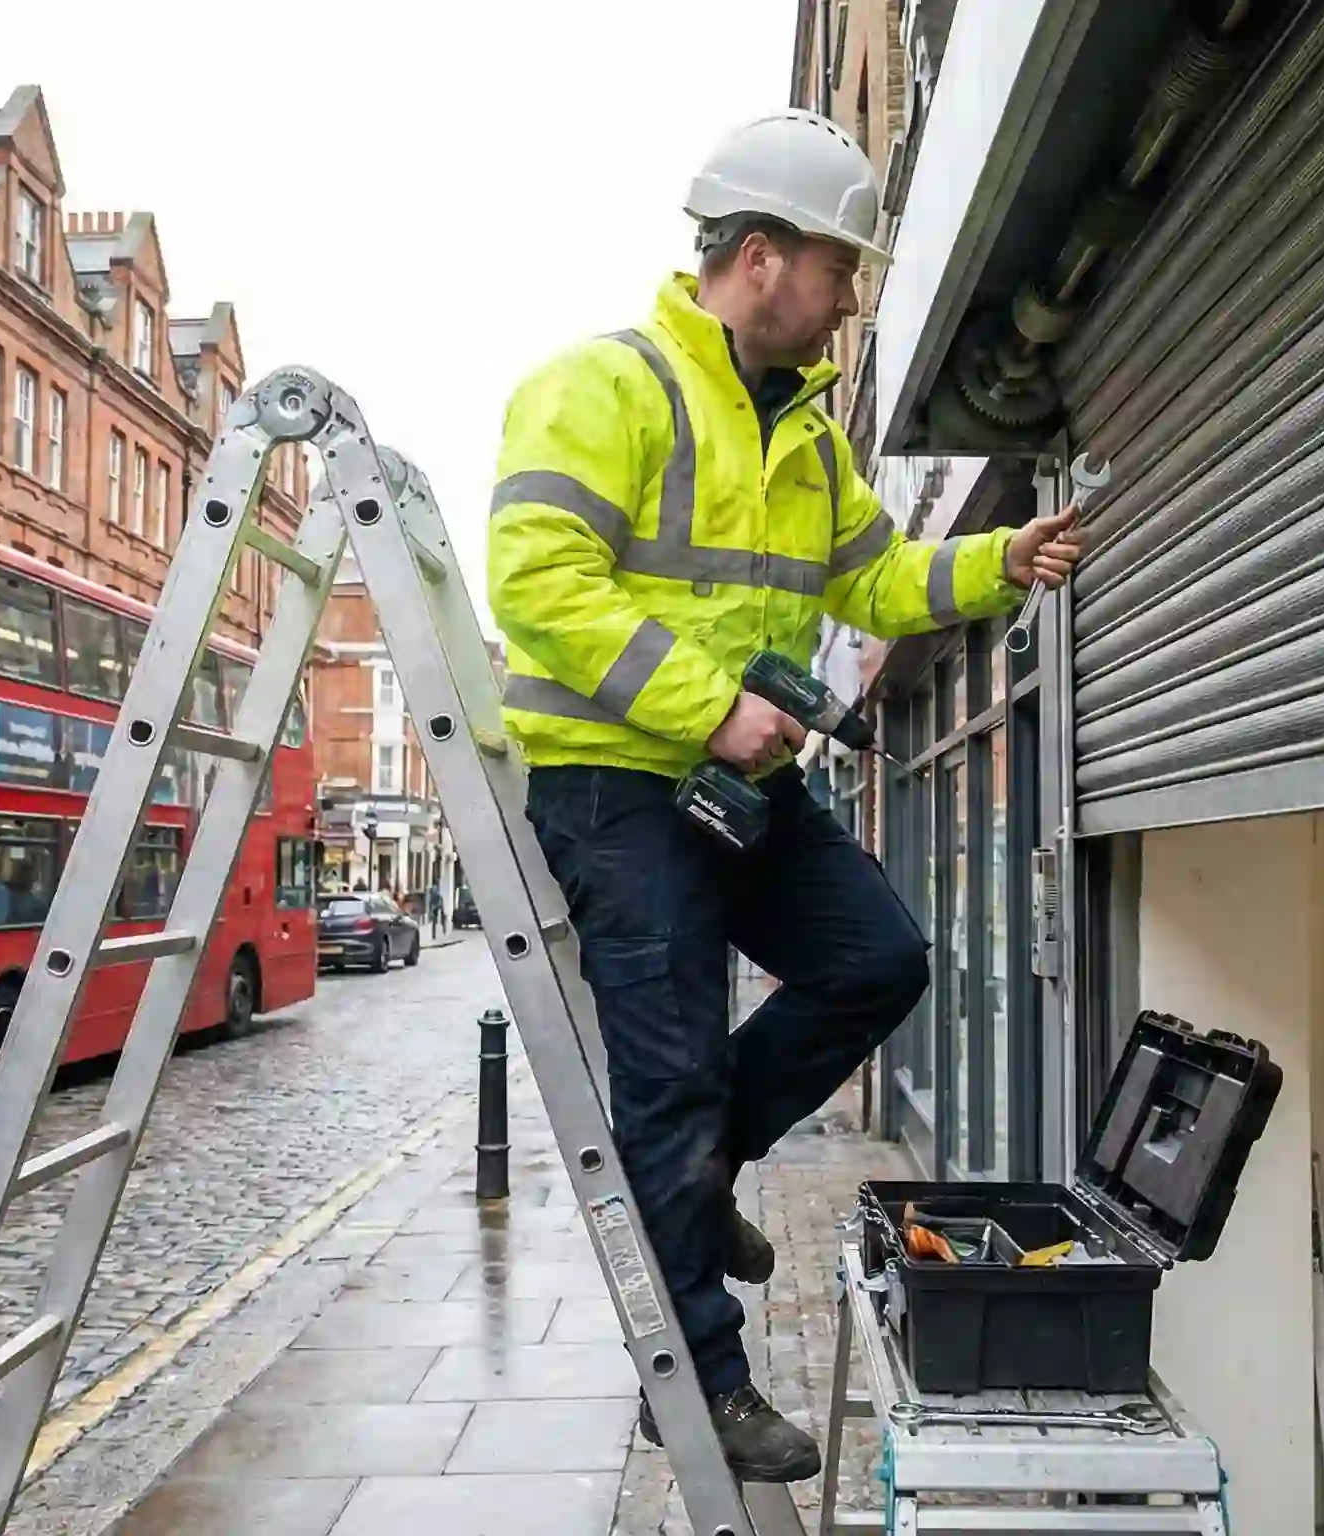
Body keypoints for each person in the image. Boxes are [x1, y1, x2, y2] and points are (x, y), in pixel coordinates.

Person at [485, 108, 1085, 1482]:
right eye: (839, 270)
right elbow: (536, 584)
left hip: (740, 785)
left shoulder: (810, 439)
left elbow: (878, 582)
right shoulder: (603, 388)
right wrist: (709, 704)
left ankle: (696, 1188)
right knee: (673, 1074)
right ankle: (695, 1383)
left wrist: (1006, 559)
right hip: (618, 788)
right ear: (762, 259)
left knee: (879, 961)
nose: (848, 298)